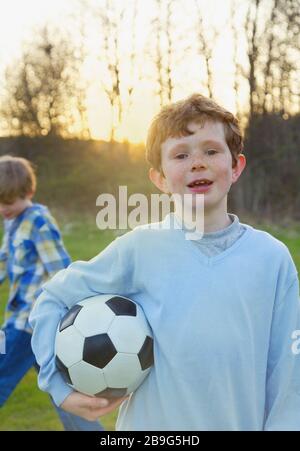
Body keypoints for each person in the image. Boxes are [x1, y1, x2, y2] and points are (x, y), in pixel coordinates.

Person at [30, 94, 300, 430]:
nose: (197, 163)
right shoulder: (140, 248)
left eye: (211, 151)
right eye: (180, 154)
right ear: (159, 178)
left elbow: (288, 376)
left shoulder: (271, 259)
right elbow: (51, 299)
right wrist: (58, 388)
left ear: (236, 167)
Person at [0, 155, 104, 431]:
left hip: (28, 324)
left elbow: (61, 271)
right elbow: (4, 260)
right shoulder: (13, 222)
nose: (3, 209)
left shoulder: (39, 222)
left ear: (28, 192)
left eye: (8, 203)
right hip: (22, 322)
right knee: (63, 393)